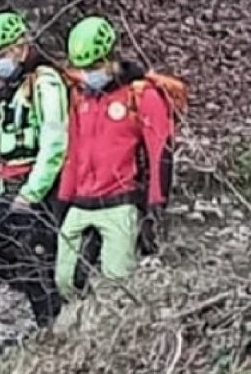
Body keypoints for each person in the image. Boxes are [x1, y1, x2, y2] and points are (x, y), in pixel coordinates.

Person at [55, 16, 173, 298]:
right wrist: (62, 201)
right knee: (64, 281)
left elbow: (161, 153)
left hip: (120, 201)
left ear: (110, 59)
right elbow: (73, 151)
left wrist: (156, 206)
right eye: (82, 68)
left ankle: (116, 336)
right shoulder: (80, 97)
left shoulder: (141, 96)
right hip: (81, 200)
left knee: (118, 286)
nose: (86, 74)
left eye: (93, 67)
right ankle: (77, 332)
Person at [0, 11, 70, 326]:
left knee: (36, 252)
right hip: (13, 183)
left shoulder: (46, 82)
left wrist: (32, 192)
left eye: (1, 54)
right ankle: (45, 305)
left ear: (19, 47)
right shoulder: (10, 89)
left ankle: (50, 320)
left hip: (39, 185)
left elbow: (54, 141)